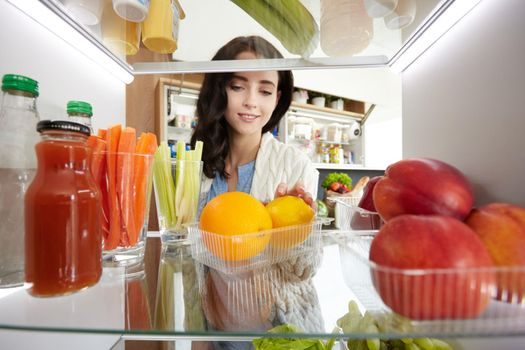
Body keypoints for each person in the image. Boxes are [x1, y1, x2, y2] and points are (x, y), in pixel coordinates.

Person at [190, 35, 325, 342]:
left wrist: (295, 232)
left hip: (281, 337)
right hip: (217, 335)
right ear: (219, 89)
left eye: (265, 90)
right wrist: (199, 339)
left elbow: (304, 271)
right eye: (238, 86)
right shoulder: (197, 165)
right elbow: (192, 264)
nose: (251, 100)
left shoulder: (295, 166)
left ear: (278, 98)